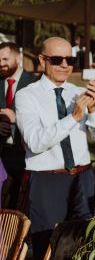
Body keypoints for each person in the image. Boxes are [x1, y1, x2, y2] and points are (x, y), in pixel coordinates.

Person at [15, 37, 95, 260]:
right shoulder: (27, 95)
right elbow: (35, 142)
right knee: (48, 247)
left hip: (83, 176)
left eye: (70, 59)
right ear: (42, 60)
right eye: (57, 59)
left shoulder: (78, 92)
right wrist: (73, 118)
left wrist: (93, 110)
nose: (65, 65)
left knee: (84, 245)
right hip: (48, 178)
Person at [0, 42, 37, 209]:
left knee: (24, 199)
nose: (1, 63)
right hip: (3, 151)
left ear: (19, 58)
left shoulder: (35, 83)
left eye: (5, 59)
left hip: (25, 151)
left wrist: (17, 119)